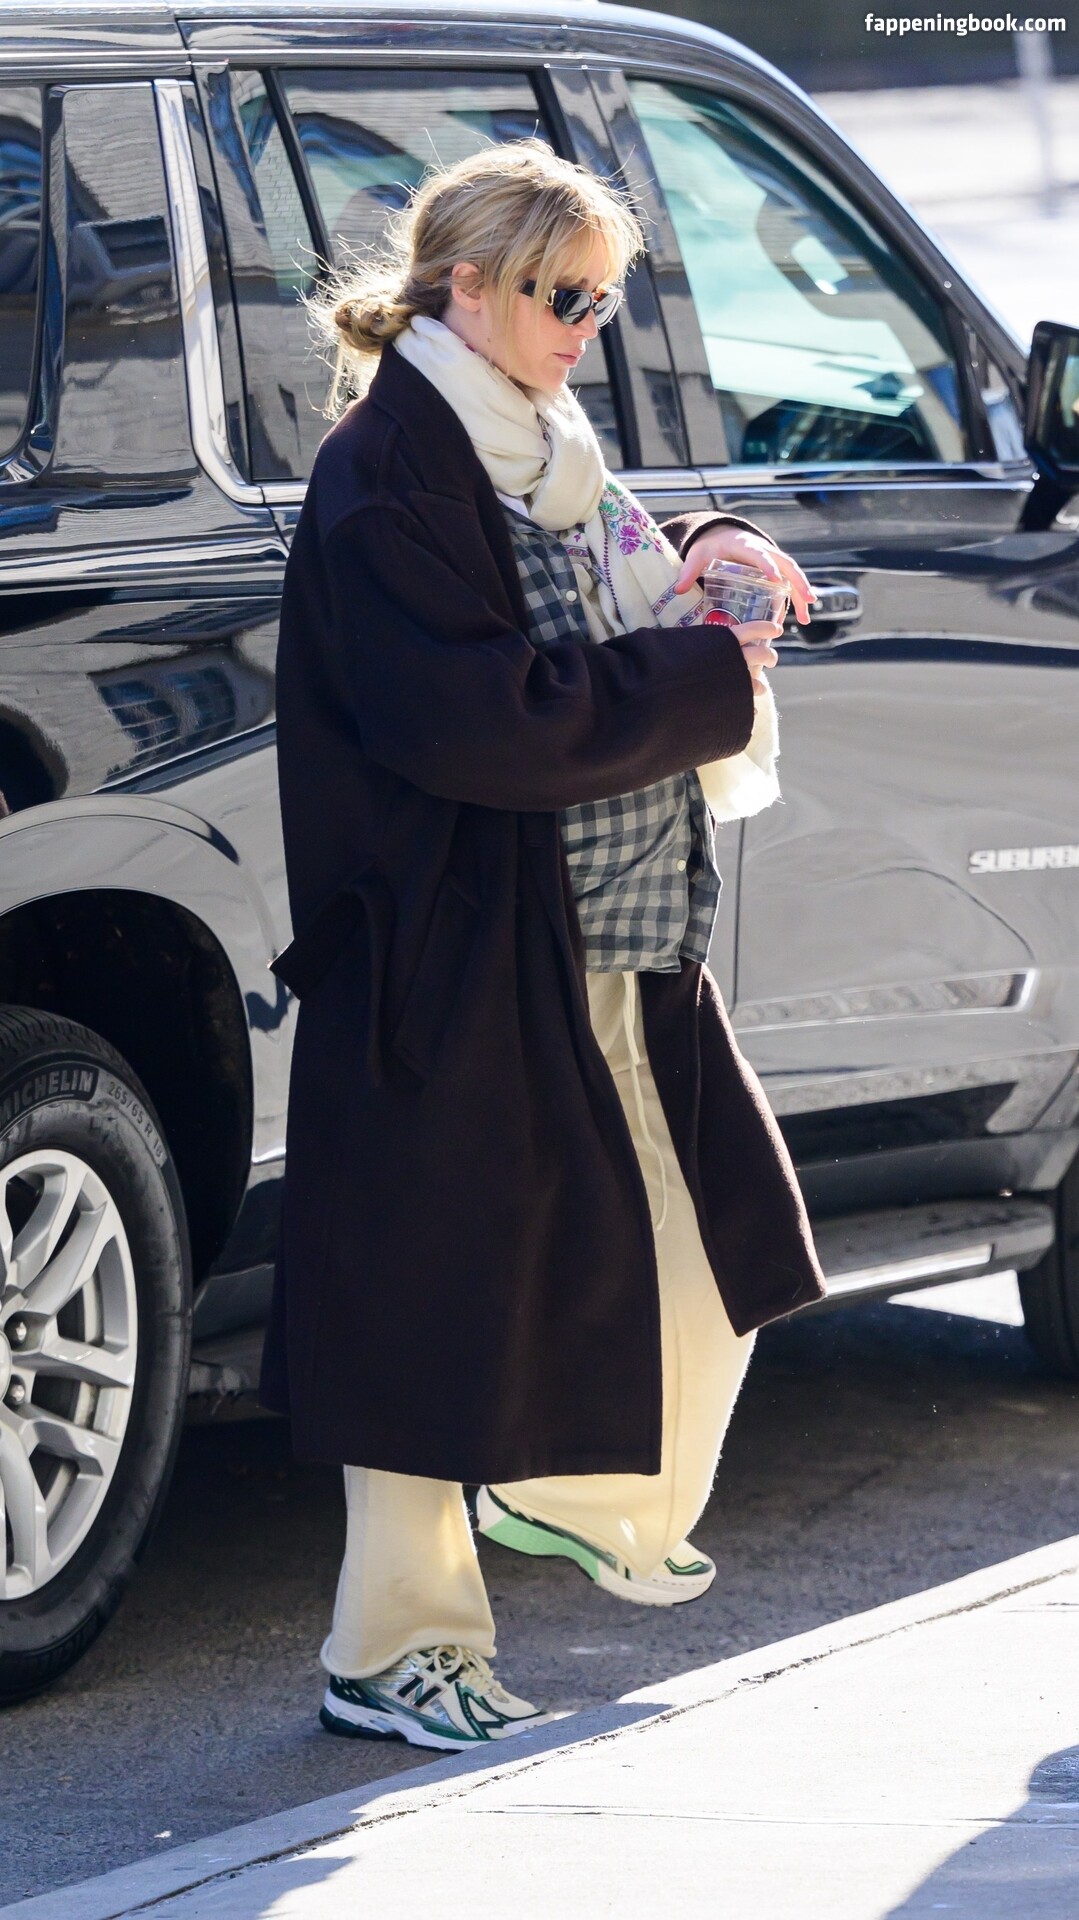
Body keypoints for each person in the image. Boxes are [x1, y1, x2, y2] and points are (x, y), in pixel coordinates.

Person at [260, 139, 828, 1753]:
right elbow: (484, 721)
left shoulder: (534, 446)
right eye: (564, 298)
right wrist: (708, 674)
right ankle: (394, 1653)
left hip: (595, 937)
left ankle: (559, 1497)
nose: (589, 328)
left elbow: (602, 580)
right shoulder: (390, 472)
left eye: (603, 299)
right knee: (427, 1324)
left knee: (699, 1271)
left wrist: (709, 552)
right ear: (467, 287)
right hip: (452, 955)